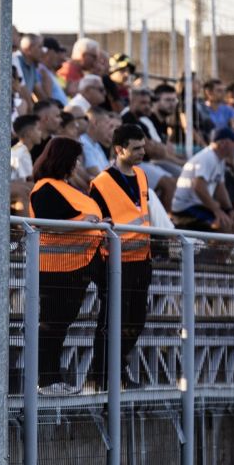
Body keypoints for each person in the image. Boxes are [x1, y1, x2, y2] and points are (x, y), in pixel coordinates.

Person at [29, 137, 105, 395]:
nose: (76, 166)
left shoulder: (67, 188)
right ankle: (45, 380)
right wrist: (86, 221)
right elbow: (48, 222)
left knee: (60, 326)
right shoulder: (45, 188)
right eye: (74, 160)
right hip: (56, 266)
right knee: (51, 325)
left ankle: (54, 378)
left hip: (77, 264)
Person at [88, 124, 154, 390]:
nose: (142, 152)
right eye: (136, 148)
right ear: (119, 149)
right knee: (111, 320)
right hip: (114, 262)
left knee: (136, 319)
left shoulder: (141, 175)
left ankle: (117, 367)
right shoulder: (100, 184)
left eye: (143, 146)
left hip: (141, 258)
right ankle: (104, 373)